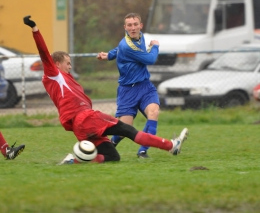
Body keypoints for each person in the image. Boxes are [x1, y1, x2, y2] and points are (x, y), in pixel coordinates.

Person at [23, 15, 189, 164]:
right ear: (57, 64)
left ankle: (74, 161)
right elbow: (44, 53)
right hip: (85, 118)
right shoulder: (54, 74)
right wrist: (35, 29)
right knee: (128, 129)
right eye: (67, 63)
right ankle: (171, 146)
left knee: (113, 157)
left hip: (79, 128)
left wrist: (109, 55)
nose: (70, 65)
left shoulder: (66, 79)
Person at [97, 13, 160, 158]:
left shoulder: (140, 37)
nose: (133, 28)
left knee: (154, 113)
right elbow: (150, 59)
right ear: (125, 27)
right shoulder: (127, 45)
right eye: (129, 25)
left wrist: (109, 55)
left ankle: (143, 151)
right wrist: (156, 46)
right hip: (127, 90)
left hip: (145, 86)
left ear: (140, 26)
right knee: (126, 128)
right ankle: (110, 144)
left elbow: (118, 50)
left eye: (135, 24)